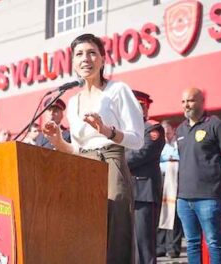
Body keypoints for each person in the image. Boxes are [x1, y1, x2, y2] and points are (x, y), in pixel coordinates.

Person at [42, 33, 144, 264]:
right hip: (83, 168)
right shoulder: (72, 102)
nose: (85, 58)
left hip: (112, 163)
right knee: (84, 233)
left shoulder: (118, 90)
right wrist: (58, 141)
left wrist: (108, 131)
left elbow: (138, 139)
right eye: (79, 54)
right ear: (73, 62)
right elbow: (77, 150)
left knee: (115, 234)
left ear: (102, 58)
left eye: (91, 53)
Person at [176, 88, 221, 264]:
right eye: (183, 101)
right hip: (184, 199)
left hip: (208, 198)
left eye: (191, 100)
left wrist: (218, 182)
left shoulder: (216, 125)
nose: (186, 105)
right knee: (192, 244)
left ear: (202, 101)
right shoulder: (180, 129)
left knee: (213, 243)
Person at [126, 91, 165, 264]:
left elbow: (142, 153)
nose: (137, 109)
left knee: (143, 245)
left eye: (141, 106)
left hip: (143, 193)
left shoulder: (152, 128)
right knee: (125, 244)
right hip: (125, 192)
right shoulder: (123, 130)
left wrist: (115, 161)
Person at [156, 120, 182, 259]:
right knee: (161, 213)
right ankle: (160, 246)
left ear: (173, 131)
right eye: (164, 133)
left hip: (175, 180)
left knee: (174, 215)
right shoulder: (158, 144)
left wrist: (169, 158)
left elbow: (181, 157)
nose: (166, 136)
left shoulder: (178, 144)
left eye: (168, 133)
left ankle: (173, 248)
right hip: (161, 179)